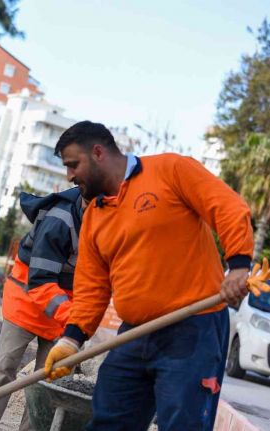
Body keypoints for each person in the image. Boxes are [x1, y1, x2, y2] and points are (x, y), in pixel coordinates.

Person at [42, 121, 254, 430]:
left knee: (184, 424)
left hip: (193, 328)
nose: (69, 176)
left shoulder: (170, 170)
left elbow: (227, 207)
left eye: (73, 164)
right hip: (133, 335)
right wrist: (71, 340)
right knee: (109, 421)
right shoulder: (95, 217)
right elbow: (91, 286)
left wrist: (238, 265)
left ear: (98, 152)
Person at [0, 187, 86, 431]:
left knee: (52, 380)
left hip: (67, 305)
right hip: (28, 298)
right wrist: (75, 323)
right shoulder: (60, 220)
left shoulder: (109, 220)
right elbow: (40, 279)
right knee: (5, 365)